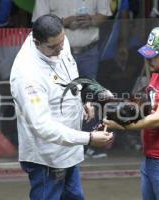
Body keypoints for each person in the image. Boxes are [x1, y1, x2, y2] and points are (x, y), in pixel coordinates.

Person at [9, 14, 113, 200]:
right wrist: (88, 138)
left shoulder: (57, 42)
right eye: (52, 47)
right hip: (47, 158)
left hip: (68, 149)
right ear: (36, 42)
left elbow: (68, 73)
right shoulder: (28, 75)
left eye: (62, 42)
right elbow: (42, 126)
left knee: (74, 196)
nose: (60, 50)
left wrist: (81, 99)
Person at [104, 26, 159, 200]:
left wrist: (122, 125)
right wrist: (119, 111)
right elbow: (149, 105)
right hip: (151, 158)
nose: (148, 60)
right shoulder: (158, 73)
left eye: (153, 56)